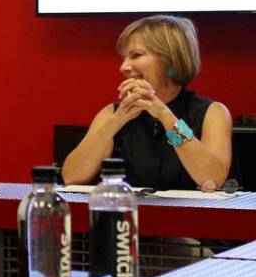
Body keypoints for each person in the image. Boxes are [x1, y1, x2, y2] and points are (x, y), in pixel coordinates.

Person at [62, 15, 232, 190]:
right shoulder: (112, 114)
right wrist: (116, 122)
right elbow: (71, 177)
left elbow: (211, 179)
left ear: (170, 59)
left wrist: (165, 116)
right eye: (124, 57)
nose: (124, 67)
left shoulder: (212, 113)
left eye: (136, 55)